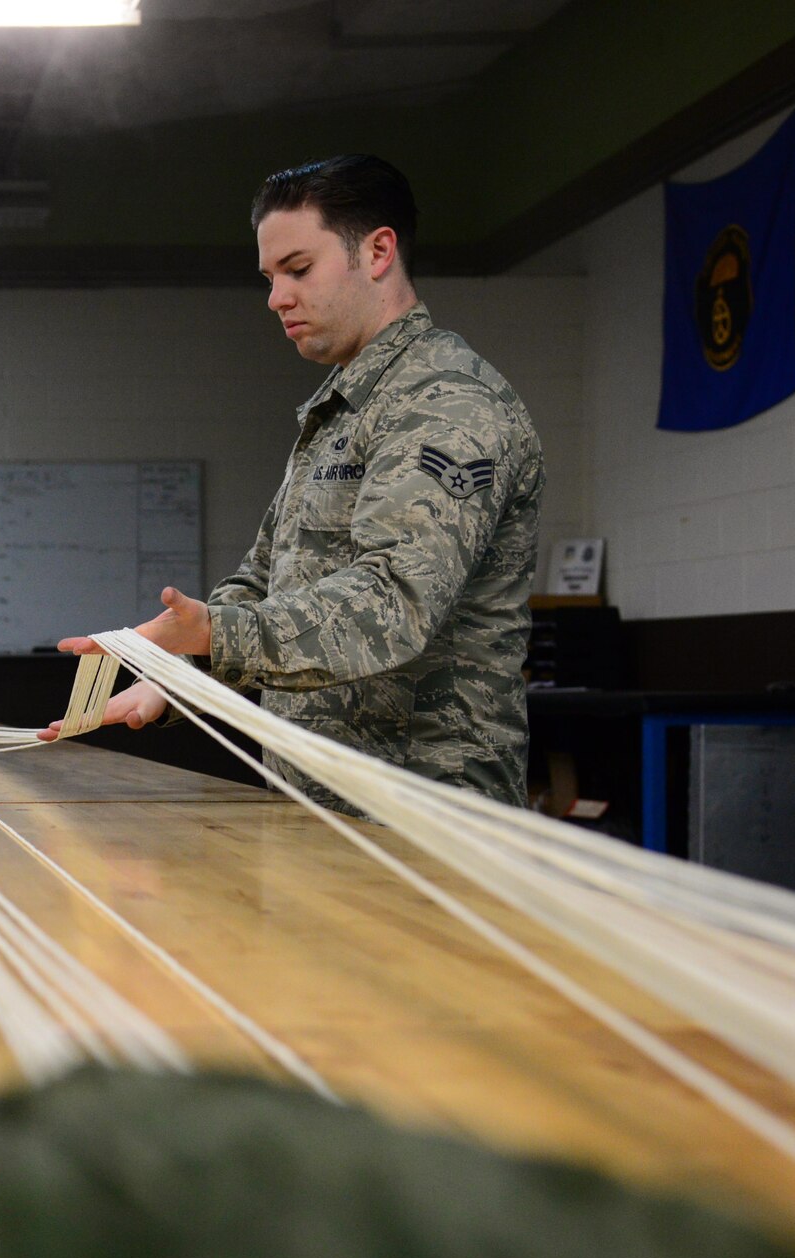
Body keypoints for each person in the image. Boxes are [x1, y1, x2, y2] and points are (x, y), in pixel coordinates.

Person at [41, 155, 544, 809]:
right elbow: (265, 579)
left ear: (378, 250)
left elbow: (393, 602)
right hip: (320, 806)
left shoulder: (446, 401)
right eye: (270, 276)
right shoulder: (341, 408)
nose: (277, 297)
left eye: (298, 269)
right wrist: (178, 674)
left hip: (424, 820)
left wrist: (213, 635)